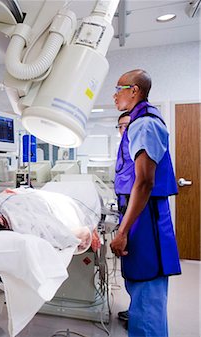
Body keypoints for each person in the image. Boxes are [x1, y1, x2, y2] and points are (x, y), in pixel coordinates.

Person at [110, 69, 181, 337]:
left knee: (147, 294)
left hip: (145, 220)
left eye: (118, 88)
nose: (115, 95)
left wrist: (123, 231)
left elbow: (144, 183)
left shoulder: (144, 124)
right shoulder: (143, 121)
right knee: (141, 294)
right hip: (143, 215)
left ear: (134, 91)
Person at [0, 189, 100, 254]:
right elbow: (68, 236)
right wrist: (88, 230)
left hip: (24, 195)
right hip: (49, 202)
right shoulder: (27, 227)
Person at [114, 111, 131, 325]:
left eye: (127, 125)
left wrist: (123, 231)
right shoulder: (125, 151)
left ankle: (141, 316)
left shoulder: (140, 152)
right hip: (127, 213)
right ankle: (135, 309)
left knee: (143, 271)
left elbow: (143, 185)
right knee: (131, 269)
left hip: (138, 219)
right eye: (120, 126)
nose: (123, 130)